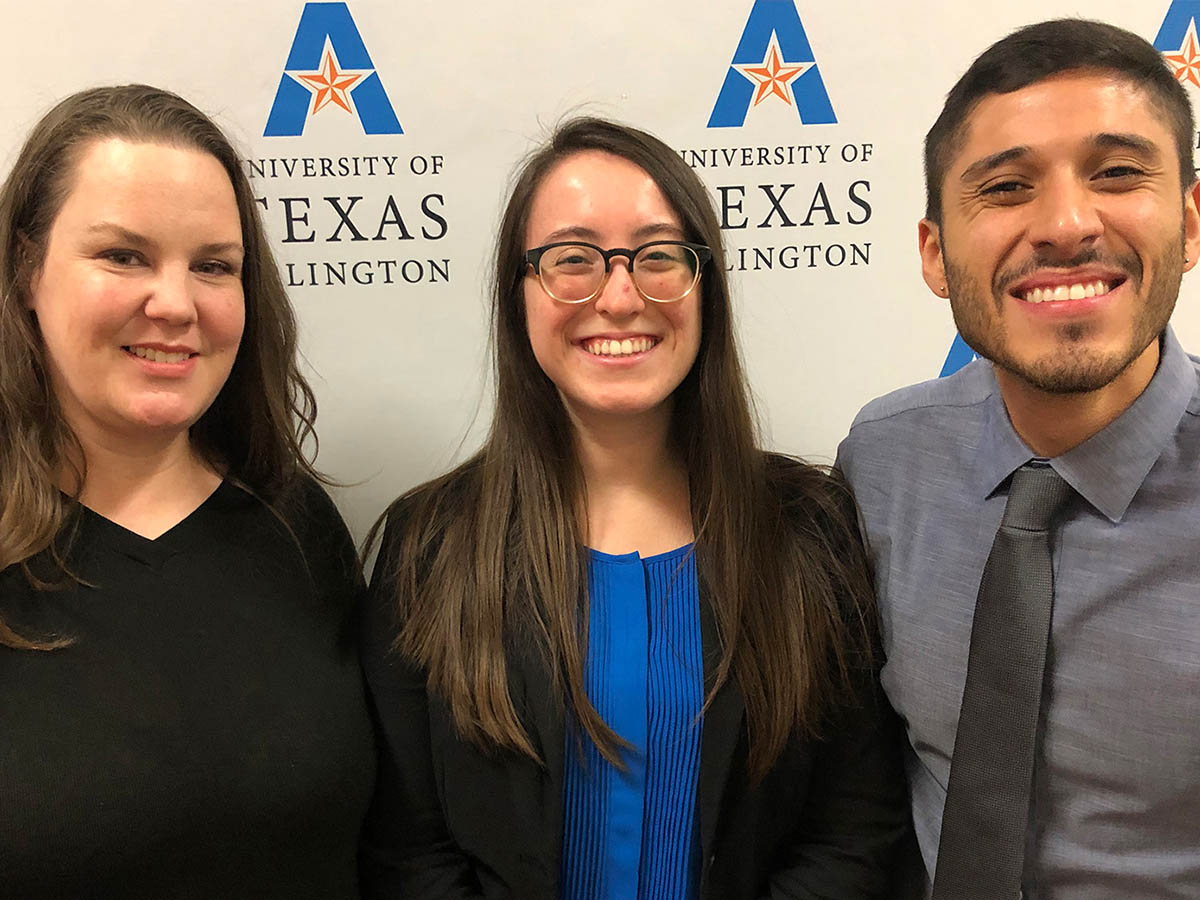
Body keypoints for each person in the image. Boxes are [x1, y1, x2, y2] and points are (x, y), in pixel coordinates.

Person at [359, 117, 907, 899]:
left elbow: (852, 834)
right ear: (519, 294)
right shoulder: (430, 546)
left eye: (657, 258)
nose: (619, 297)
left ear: (703, 287)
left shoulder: (809, 529)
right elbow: (410, 853)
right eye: (572, 260)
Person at [837, 18, 1200, 900]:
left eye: (1117, 173)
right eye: (1005, 187)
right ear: (935, 254)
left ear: (1190, 224)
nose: (1068, 224)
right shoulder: (883, 462)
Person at [0, 85, 374, 898]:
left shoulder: (298, 528)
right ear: (27, 269)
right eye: (123, 255)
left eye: (212, 266)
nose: (174, 304)